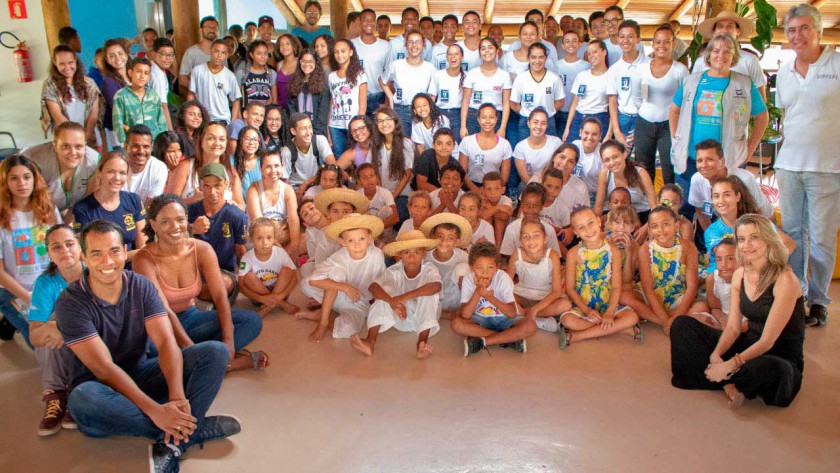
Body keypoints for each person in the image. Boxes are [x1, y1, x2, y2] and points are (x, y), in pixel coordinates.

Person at [55, 220, 240, 472]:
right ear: (83, 257)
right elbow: (105, 370)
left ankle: (175, 439)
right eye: (96, 254)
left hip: (141, 374)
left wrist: (175, 394)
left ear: (124, 251)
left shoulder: (140, 286)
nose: (108, 261)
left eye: (114, 251)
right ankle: (190, 431)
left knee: (215, 352)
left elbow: (165, 343)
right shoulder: (71, 303)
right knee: (82, 399)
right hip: (101, 393)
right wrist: (155, 410)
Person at [671, 214, 806, 408]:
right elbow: (733, 328)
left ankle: (724, 377)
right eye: (741, 239)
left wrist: (731, 364)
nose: (746, 244)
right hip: (748, 345)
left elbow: (768, 341)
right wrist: (715, 355)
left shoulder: (785, 279)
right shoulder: (740, 274)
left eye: (754, 237)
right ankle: (730, 382)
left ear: (768, 239)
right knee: (682, 325)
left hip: (778, 356)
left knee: (767, 369)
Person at [775, 4, 840, 327]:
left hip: (828, 167)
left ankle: (818, 300)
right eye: (791, 30)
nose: (797, 36)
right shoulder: (785, 72)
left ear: (819, 31)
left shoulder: (837, 63)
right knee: (792, 233)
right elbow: (789, 117)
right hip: (788, 165)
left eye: (803, 29)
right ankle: (797, 295)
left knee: (824, 237)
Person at [670, 33, 768, 216]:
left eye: (726, 52)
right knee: (687, 208)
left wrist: (749, 149)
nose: (720, 56)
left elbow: (762, 117)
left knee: (724, 208)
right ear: (709, 54)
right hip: (691, 157)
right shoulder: (691, 80)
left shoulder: (744, 83)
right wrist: (676, 138)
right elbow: (674, 110)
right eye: (716, 51)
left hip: (727, 159)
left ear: (733, 56)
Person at [559, 206, 642, 349]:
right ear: (576, 232)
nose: (588, 230)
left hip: (607, 302)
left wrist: (610, 312)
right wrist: (585, 310)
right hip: (583, 304)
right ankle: (619, 329)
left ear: (599, 222)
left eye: (591, 223)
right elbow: (570, 288)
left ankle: (578, 336)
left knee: (632, 316)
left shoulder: (613, 251)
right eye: (581, 227)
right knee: (568, 320)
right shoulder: (573, 253)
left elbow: (616, 286)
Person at [351, 230, 442, 358]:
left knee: (429, 294)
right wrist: (391, 301)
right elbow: (373, 287)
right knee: (383, 292)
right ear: (399, 255)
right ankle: (370, 342)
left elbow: (436, 286)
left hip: (424, 319)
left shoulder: (429, 269)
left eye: (416, 252)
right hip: (401, 317)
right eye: (406, 252)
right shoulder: (394, 270)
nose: (411, 257)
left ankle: (421, 344)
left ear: (424, 254)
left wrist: (400, 299)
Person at [0, 156, 61, 345]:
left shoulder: (49, 209)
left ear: (35, 179)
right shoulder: (2, 217)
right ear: (4, 182)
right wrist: (33, 300)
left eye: (27, 177)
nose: (22, 183)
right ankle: (10, 317)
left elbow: (61, 251)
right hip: (15, 292)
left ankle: (8, 323)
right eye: (14, 178)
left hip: (49, 287)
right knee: (44, 345)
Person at [298, 213, 386, 342]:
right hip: (338, 295)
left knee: (348, 330)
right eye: (351, 240)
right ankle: (323, 322)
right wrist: (344, 287)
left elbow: (381, 282)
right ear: (342, 242)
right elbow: (312, 281)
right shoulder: (339, 256)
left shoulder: (376, 255)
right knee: (310, 282)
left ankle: (321, 315)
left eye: (361, 239)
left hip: (358, 301)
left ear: (369, 238)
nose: (357, 245)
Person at [27, 224, 81, 436]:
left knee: (62, 319)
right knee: (49, 324)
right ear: (48, 253)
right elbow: (34, 335)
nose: (65, 250)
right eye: (57, 247)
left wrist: (65, 328)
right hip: (60, 348)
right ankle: (56, 395)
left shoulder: (94, 274)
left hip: (89, 340)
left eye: (69, 244)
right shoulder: (45, 282)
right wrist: (55, 328)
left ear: (80, 247)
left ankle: (75, 393)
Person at [455, 241, 536, 356]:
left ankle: (484, 341)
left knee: (530, 325)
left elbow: (512, 313)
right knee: (456, 324)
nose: (485, 272)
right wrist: (478, 292)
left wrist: (489, 297)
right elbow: (465, 315)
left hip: (504, 319)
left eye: (490, 267)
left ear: (497, 267)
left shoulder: (503, 278)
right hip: (480, 320)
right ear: (471, 267)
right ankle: (508, 338)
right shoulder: (468, 280)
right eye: (479, 268)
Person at [632, 25, 688, 185]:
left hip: (669, 125)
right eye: (658, 42)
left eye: (666, 42)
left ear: (674, 43)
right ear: (653, 43)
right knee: (642, 167)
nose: (661, 46)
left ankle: (670, 205)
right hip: (644, 123)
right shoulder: (642, 69)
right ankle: (645, 206)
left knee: (669, 167)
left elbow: (685, 101)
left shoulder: (680, 70)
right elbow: (637, 97)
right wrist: (646, 112)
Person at [705, 176, 795, 275]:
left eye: (727, 195)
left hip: (757, 274)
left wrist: (769, 264)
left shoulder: (758, 222)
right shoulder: (712, 231)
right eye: (716, 196)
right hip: (722, 278)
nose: (721, 201)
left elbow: (789, 244)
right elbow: (730, 259)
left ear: (737, 197)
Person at [186, 163, 249, 300]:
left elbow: (240, 250)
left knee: (223, 284)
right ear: (200, 187)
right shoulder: (190, 211)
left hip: (223, 271)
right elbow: (175, 244)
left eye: (217, 186)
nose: (212, 192)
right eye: (207, 186)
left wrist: (247, 278)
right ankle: (200, 298)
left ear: (226, 184)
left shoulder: (237, 215)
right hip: (195, 270)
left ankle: (196, 298)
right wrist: (192, 230)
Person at [689, 139, 774, 235]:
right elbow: (701, 212)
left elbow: (766, 214)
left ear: (722, 162)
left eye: (710, 160)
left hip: (755, 227)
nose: (703, 165)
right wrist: (713, 238)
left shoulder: (745, 179)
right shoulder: (696, 179)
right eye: (699, 161)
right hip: (722, 225)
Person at [72, 152, 147, 261]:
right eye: (111, 172)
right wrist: (122, 257)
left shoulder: (134, 200)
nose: (117, 177)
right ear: (99, 173)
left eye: (122, 173)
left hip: (133, 268)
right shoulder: (82, 209)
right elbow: (84, 255)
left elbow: (143, 248)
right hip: (100, 269)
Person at [636, 205, 700, 333]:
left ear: (676, 226)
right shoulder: (645, 250)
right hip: (651, 298)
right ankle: (666, 322)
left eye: (666, 224)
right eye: (654, 226)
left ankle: (670, 318)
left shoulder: (689, 248)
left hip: (676, 298)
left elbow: (692, 287)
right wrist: (665, 320)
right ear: (649, 231)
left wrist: (677, 314)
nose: (660, 230)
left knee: (701, 306)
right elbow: (647, 288)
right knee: (625, 297)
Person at [19, 121, 99, 218]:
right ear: (55, 145)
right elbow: (25, 204)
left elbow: (86, 201)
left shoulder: (94, 162)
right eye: (66, 146)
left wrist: (68, 221)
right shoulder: (33, 163)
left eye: (78, 146)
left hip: (58, 209)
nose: (73, 152)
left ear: (85, 145)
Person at [506, 217, 570, 332]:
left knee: (565, 305)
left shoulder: (552, 255)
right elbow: (506, 285)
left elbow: (556, 291)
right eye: (526, 237)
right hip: (522, 294)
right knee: (502, 297)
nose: (531, 241)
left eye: (536, 235)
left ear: (545, 239)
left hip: (545, 298)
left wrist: (535, 309)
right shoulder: (517, 255)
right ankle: (538, 320)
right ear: (520, 242)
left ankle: (524, 315)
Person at [168, 121, 245, 208]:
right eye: (211, 138)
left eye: (222, 139)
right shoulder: (185, 167)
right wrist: (193, 200)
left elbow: (241, 206)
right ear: (201, 141)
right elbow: (168, 204)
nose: (217, 143)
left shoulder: (230, 171)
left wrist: (232, 205)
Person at [694, 10, 767, 98]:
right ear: (714, 32)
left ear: (738, 31)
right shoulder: (701, 61)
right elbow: (692, 93)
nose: (724, 30)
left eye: (730, 26)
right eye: (720, 26)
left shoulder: (750, 60)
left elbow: (761, 98)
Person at [237, 217, 298, 317]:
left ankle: (268, 307)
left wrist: (280, 297)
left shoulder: (280, 252)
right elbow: (241, 286)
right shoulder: (247, 257)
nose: (265, 243)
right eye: (259, 238)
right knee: (248, 277)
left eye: (269, 238)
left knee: (288, 271)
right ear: (252, 239)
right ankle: (280, 304)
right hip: (258, 298)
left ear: (274, 238)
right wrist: (262, 299)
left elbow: (294, 279)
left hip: (281, 293)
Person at [40, 46, 100, 145]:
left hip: (88, 138)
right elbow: (58, 116)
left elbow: (93, 115)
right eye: (62, 64)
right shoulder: (50, 85)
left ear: (75, 61)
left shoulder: (89, 83)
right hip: (65, 138)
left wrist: (86, 136)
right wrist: (76, 137)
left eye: (70, 62)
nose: (67, 67)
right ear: (55, 63)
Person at [246, 151, 301, 259]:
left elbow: (293, 221)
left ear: (282, 167)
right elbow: (260, 225)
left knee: (303, 239)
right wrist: (282, 254)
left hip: (282, 237)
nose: (273, 171)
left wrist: (293, 247)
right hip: (261, 238)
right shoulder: (254, 190)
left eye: (276, 166)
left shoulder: (288, 190)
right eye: (268, 167)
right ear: (261, 169)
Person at [605, 20, 649, 150]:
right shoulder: (614, 69)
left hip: (643, 118)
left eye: (630, 36)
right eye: (622, 37)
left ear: (638, 39)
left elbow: (647, 98)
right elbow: (612, 101)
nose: (626, 41)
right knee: (622, 161)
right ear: (618, 39)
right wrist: (617, 132)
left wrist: (642, 127)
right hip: (622, 118)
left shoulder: (648, 65)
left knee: (641, 161)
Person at [419, 213, 472, 318]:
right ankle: (445, 315)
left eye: (450, 238)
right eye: (440, 236)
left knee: (463, 268)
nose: (444, 241)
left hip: (456, 301)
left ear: (457, 242)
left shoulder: (464, 258)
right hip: (432, 302)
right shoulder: (425, 258)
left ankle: (463, 310)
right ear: (433, 237)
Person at [383, 30, 435, 131]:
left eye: (418, 42)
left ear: (424, 45)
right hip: (400, 111)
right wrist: (390, 97)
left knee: (420, 145)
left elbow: (433, 93)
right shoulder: (396, 65)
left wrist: (428, 111)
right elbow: (382, 80)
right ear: (406, 45)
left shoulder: (430, 68)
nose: (414, 45)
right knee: (402, 144)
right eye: (410, 42)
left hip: (421, 112)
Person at [510, 44, 564, 140]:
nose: (537, 61)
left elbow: (560, 102)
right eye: (533, 57)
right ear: (528, 58)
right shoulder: (521, 79)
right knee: (525, 152)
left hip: (548, 121)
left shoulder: (554, 79)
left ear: (546, 58)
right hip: (526, 122)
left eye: (541, 57)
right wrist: (527, 113)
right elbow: (514, 103)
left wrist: (547, 113)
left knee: (550, 152)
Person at [594, 140, 656, 223]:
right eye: (607, 160)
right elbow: (598, 207)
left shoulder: (640, 173)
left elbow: (654, 206)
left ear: (624, 154)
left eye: (615, 157)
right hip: (614, 215)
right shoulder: (605, 173)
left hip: (641, 215)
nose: (612, 162)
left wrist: (645, 228)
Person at [460, 37, 512, 138]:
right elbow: (465, 101)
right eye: (483, 49)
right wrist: (463, 126)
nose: (487, 51)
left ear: (497, 51)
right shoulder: (472, 74)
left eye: (490, 48)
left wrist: (502, 128)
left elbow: (506, 104)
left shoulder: (504, 75)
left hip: (495, 118)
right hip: (473, 117)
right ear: (479, 53)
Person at [371, 107, 415, 222]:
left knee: (399, 215)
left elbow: (407, 174)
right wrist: (382, 194)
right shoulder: (375, 143)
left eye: (388, 120)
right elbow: (373, 171)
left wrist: (391, 197)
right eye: (380, 121)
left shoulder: (406, 143)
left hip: (400, 194)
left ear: (395, 121)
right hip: (381, 192)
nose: (384, 124)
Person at [563, 40, 612, 144]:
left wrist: (609, 133)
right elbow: (575, 103)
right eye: (589, 53)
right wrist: (567, 127)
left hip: (599, 119)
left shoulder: (611, 76)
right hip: (579, 118)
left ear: (604, 52)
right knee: (572, 151)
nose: (591, 56)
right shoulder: (582, 76)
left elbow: (613, 108)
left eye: (594, 52)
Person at [112, 56, 167, 146]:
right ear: (130, 73)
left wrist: (161, 144)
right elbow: (118, 124)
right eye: (138, 72)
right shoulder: (121, 96)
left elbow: (162, 123)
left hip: (153, 145)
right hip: (133, 146)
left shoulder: (154, 96)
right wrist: (124, 145)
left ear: (149, 76)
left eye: (146, 73)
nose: (142, 76)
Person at [459, 103, 513, 193]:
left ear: (496, 119)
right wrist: (475, 189)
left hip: (494, 190)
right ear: (478, 119)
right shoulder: (467, 141)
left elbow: (504, 178)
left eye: (491, 117)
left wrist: (491, 191)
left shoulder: (505, 144)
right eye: (484, 117)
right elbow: (462, 172)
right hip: (471, 187)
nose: (487, 121)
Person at [499, 183, 562, 259]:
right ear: (521, 204)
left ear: (541, 207)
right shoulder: (511, 228)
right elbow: (508, 257)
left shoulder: (549, 230)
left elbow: (555, 257)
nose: (530, 210)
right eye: (527, 205)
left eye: (535, 206)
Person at [328, 39, 368, 157]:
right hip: (335, 125)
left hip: (354, 125)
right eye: (336, 52)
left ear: (351, 52)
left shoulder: (359, 74)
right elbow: (332, 102)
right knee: (340, 159)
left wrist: (359, 125)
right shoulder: (331, 76)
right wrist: (328, 126)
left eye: (343, 51)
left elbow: (363, 103)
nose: (339, 55)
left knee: (358, 158)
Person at [188, 39, 242, 124]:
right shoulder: (197, 70)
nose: (219, 55)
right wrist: (191, 115)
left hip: (222, 119)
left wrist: (232, 121)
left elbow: (236, 99)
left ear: (227, 55)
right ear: (210, 51)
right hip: (202, 118)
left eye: (223, 53)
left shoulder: (230, 76)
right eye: (216, 51)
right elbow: (191, 94)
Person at [282, 113, 336, 196]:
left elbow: (333, 166)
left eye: (310, 127)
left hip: (316, 183)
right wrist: (292, 195)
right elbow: (284, 180)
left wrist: (306, 183)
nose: (308, 132)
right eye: (303, 129)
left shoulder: (320, 140)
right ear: (293, 131)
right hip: (296, 187)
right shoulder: (287, 151)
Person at [352, 9, 394, 117]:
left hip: (378, 97)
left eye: (372, 20)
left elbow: (389, 75)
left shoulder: (385, 46)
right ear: (360, 23)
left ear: (375, 23)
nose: (369, 23)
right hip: (356, 96)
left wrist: (386, 102)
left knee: (377, 132)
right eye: (365, 20)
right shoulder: (352, 44)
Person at [513, 108, 563, 185]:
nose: (539, 127)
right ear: (529, 123)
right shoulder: (520, 147)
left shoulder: (556, 142)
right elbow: (525, 178)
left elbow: (560, 170)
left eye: (543, 123)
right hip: (531, 184)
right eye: (535, 122)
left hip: (552, 183)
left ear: (547, 125)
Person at [555, 30, 591, 136]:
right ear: (563, 45)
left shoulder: (586, 66)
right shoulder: (556, 66)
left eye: (574, 41)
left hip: (578, 112)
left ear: (580, 44)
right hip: (560, 111)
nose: (571, 44)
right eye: (567, 41)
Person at [288, 48, 331, 136]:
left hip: (317, 133)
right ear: (299, 62)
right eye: (303, 61)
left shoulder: (322, 85)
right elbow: (291, 109)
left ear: (316, 63)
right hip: (298, 133)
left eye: (310, 61)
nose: (307, 64)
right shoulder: (293, 83)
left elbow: (323, 112)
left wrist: (313, 134)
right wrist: (299, 132)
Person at [122, 125, 168, 207]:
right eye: (135, 146)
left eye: (146, 147)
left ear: (151, 147)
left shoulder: (159, 168)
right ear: (126, 146)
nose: (141, 151)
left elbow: (150, 206)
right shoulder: (116, 166)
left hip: (143, 217)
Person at [100, 39, 130, 149]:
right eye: (112, 56)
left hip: (139, 133)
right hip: (120, 136)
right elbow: (119, 109)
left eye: (120, 53)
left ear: (126, 54)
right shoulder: (108, 82)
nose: (117, 58)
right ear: (107, 60)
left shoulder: (135, 76)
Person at [429, 44, 465, 136]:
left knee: (457, 145)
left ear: (462, 57)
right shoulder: (438, 75)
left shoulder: (467, 77)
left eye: (456, 54)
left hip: (459, 115)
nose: (453, 57)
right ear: (446, 57)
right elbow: (431, 98)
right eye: (450, 54)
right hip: (440, 114)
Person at [179, 16, 218, 96]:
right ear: (201, 30)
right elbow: (183, 79)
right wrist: (200, 89)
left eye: (214, 27)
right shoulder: (191, 52)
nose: (211, 30)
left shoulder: (221, 52)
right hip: (199, 99)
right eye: (208, 27)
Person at [414, 128, 460, 192]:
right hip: (424, 195)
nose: (444, 147)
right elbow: (421, 185)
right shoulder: (426, 157)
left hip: (445, 196)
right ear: (433, 145)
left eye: (448, 144)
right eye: (439, 143)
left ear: (454, 146)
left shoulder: (455, 164)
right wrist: (441, 192)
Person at [236, 40, 278, 109]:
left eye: (265, 53)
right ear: (251, 54)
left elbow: (274, 100)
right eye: (259, 54)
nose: (263, 56)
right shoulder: (242, 74)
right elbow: (237, 99)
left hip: (265, 114)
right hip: (247, 115)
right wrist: (239, 117)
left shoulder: (271, 73)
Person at [356, 164, 399, 231]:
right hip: (364, 231)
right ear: (359, 181)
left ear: (377, 178)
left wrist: (375, 228)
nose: (370, 181)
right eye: (365, 177)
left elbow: (395, 217)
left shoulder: (385, 193)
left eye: (372, 176)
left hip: (381, 230)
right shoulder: (357, 195)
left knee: (388, 210)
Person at [570, 117, 604, 198]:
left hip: (593, 195)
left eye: (594, 134)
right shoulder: (574, 146)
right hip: (573, 192)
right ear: (580, 132)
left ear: (600, 136)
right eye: (586, 133)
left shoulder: (602, 153)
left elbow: (604, 184)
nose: (590, 137)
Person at [148, 38, 176, 130]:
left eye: (171, 55)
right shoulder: (157, 75)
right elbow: (162, 106)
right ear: (154, 54)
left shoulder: (156, 68)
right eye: (163, 54)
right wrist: (170, 131)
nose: (168, 58)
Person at [480, 172, 514, 246]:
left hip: (504, 233)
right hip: (485, 231)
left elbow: (504, 216)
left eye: (497, 189)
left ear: (503, 189)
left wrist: (492, 207)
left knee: (499, 219)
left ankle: (497, 250)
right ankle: (489, 246)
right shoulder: (481, 200)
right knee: (489, 217)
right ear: (483, 190)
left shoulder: (506, 199)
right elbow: (482, 217)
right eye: (489, 189)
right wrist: (498, 209)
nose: (493, 193)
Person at [231, 125, 264, 200]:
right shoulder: (231, 161)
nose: (251, 142)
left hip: (261, 204)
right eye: (247, 139)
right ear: (240, 141)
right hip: (238, 205)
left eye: (255, 140)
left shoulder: (263, 160)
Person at [274, 34, 303, 112]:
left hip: (296, 108)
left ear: (294, 46)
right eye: (281, 44)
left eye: (287, 43)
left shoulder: (301, 63)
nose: (284, 47)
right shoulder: (279, 65)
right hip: (280, 108)